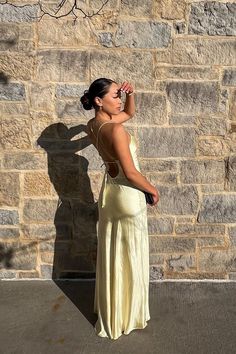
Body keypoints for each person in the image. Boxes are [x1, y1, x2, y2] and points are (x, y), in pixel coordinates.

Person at [80, 78, 159, 340]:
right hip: (127, 195)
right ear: (98, 101)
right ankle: (128, 314)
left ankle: (114, 308)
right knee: (129, 252)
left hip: (110, 193)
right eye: (116, 95)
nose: (120, 100)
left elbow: (129, 112)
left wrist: (132, 93)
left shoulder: (93, 126)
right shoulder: (116, 131)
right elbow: (132, 173)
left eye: (120, 95)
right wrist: (152, 189)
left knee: (115, 250)